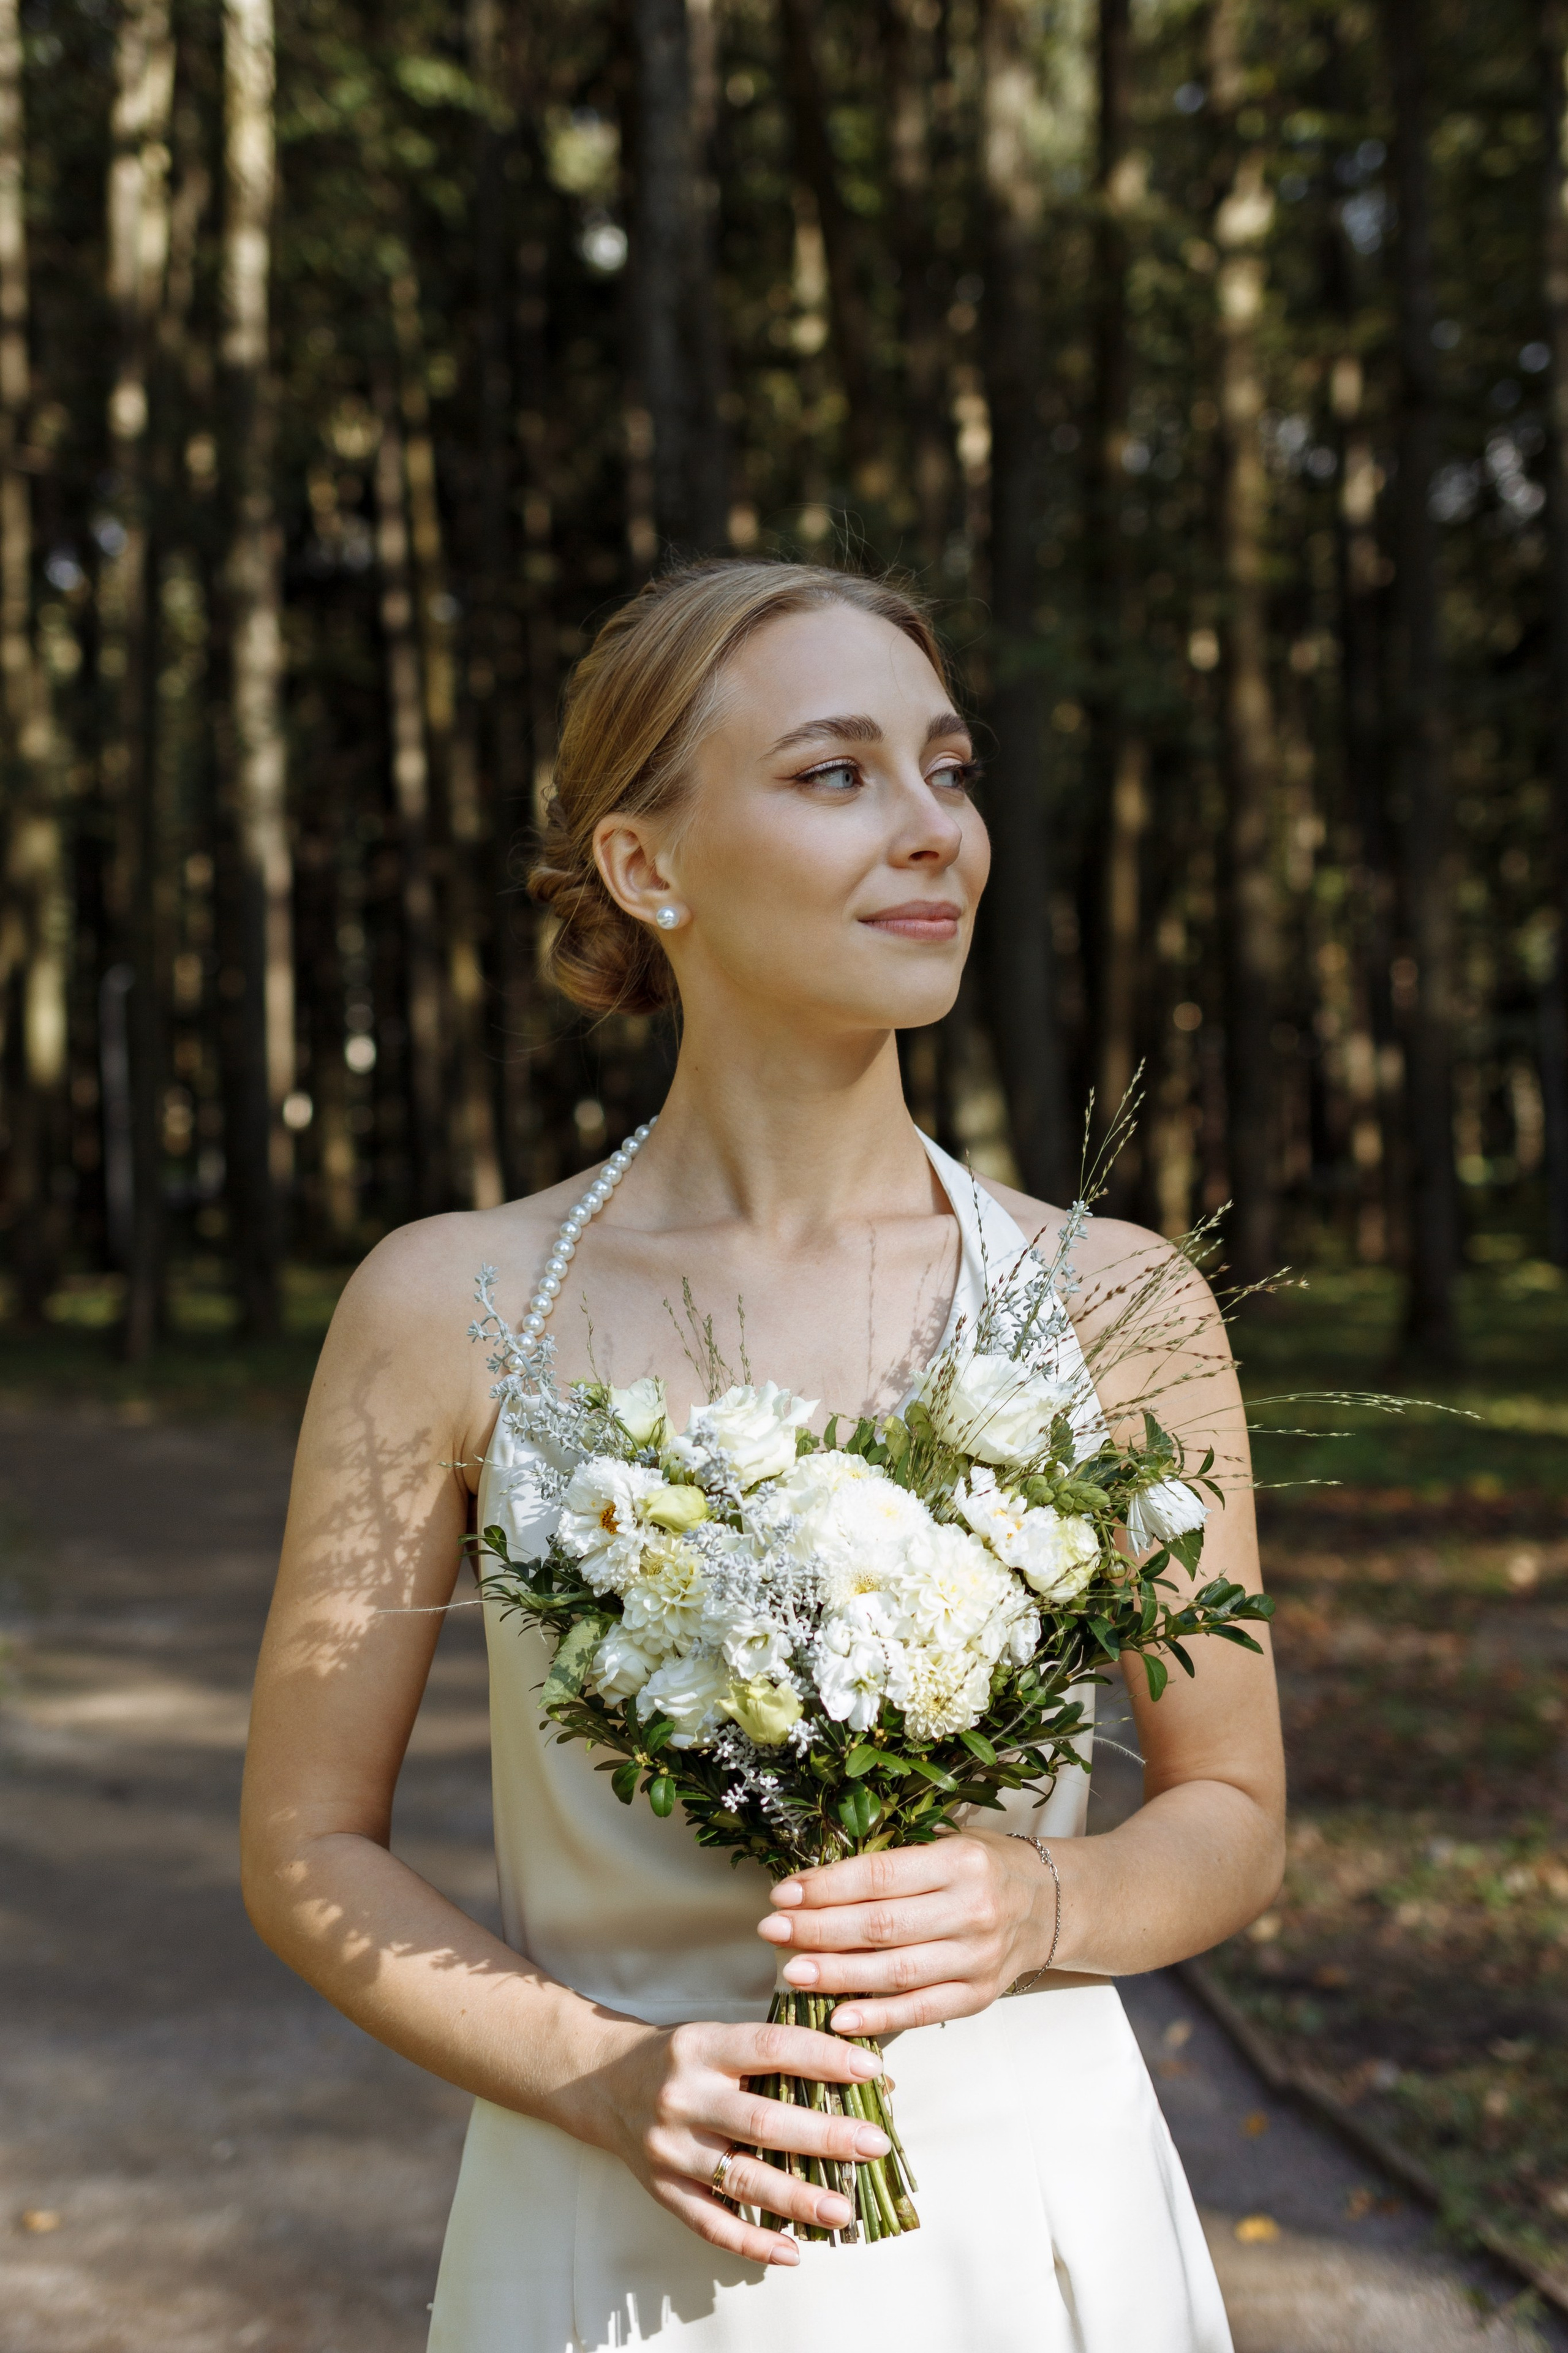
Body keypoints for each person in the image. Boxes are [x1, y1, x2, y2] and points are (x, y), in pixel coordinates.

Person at [241, 557, 1284, 2352]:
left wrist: (1045, 1896)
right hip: (614, 2228)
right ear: (649, 868)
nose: (932, 831)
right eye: (835, 773)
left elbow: (1233, 1810)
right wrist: (596, 2075)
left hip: (1032, 2216)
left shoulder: (1121, 1302)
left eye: (948, 772)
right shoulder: (441, 1306)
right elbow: (305, 1842)